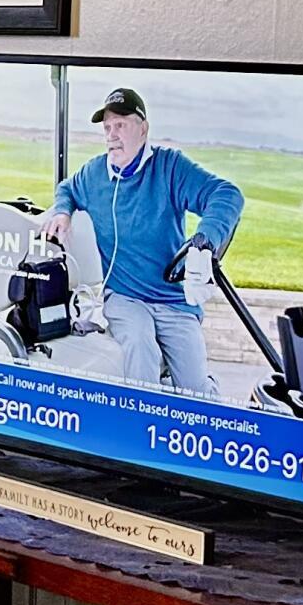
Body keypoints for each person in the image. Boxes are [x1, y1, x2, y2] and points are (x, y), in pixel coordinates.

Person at [35, 87, 243, 397]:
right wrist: (63, 211)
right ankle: (141, 432)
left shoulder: (170, 167)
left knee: (195, 389)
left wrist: (203, 242)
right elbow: (67, 189)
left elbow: (226, 195)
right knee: (140, 351)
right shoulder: (94, 174)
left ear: (143, 129)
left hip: (174, 301)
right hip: (125, 297)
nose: (111, 135)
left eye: (121, 125)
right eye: (107, 127)